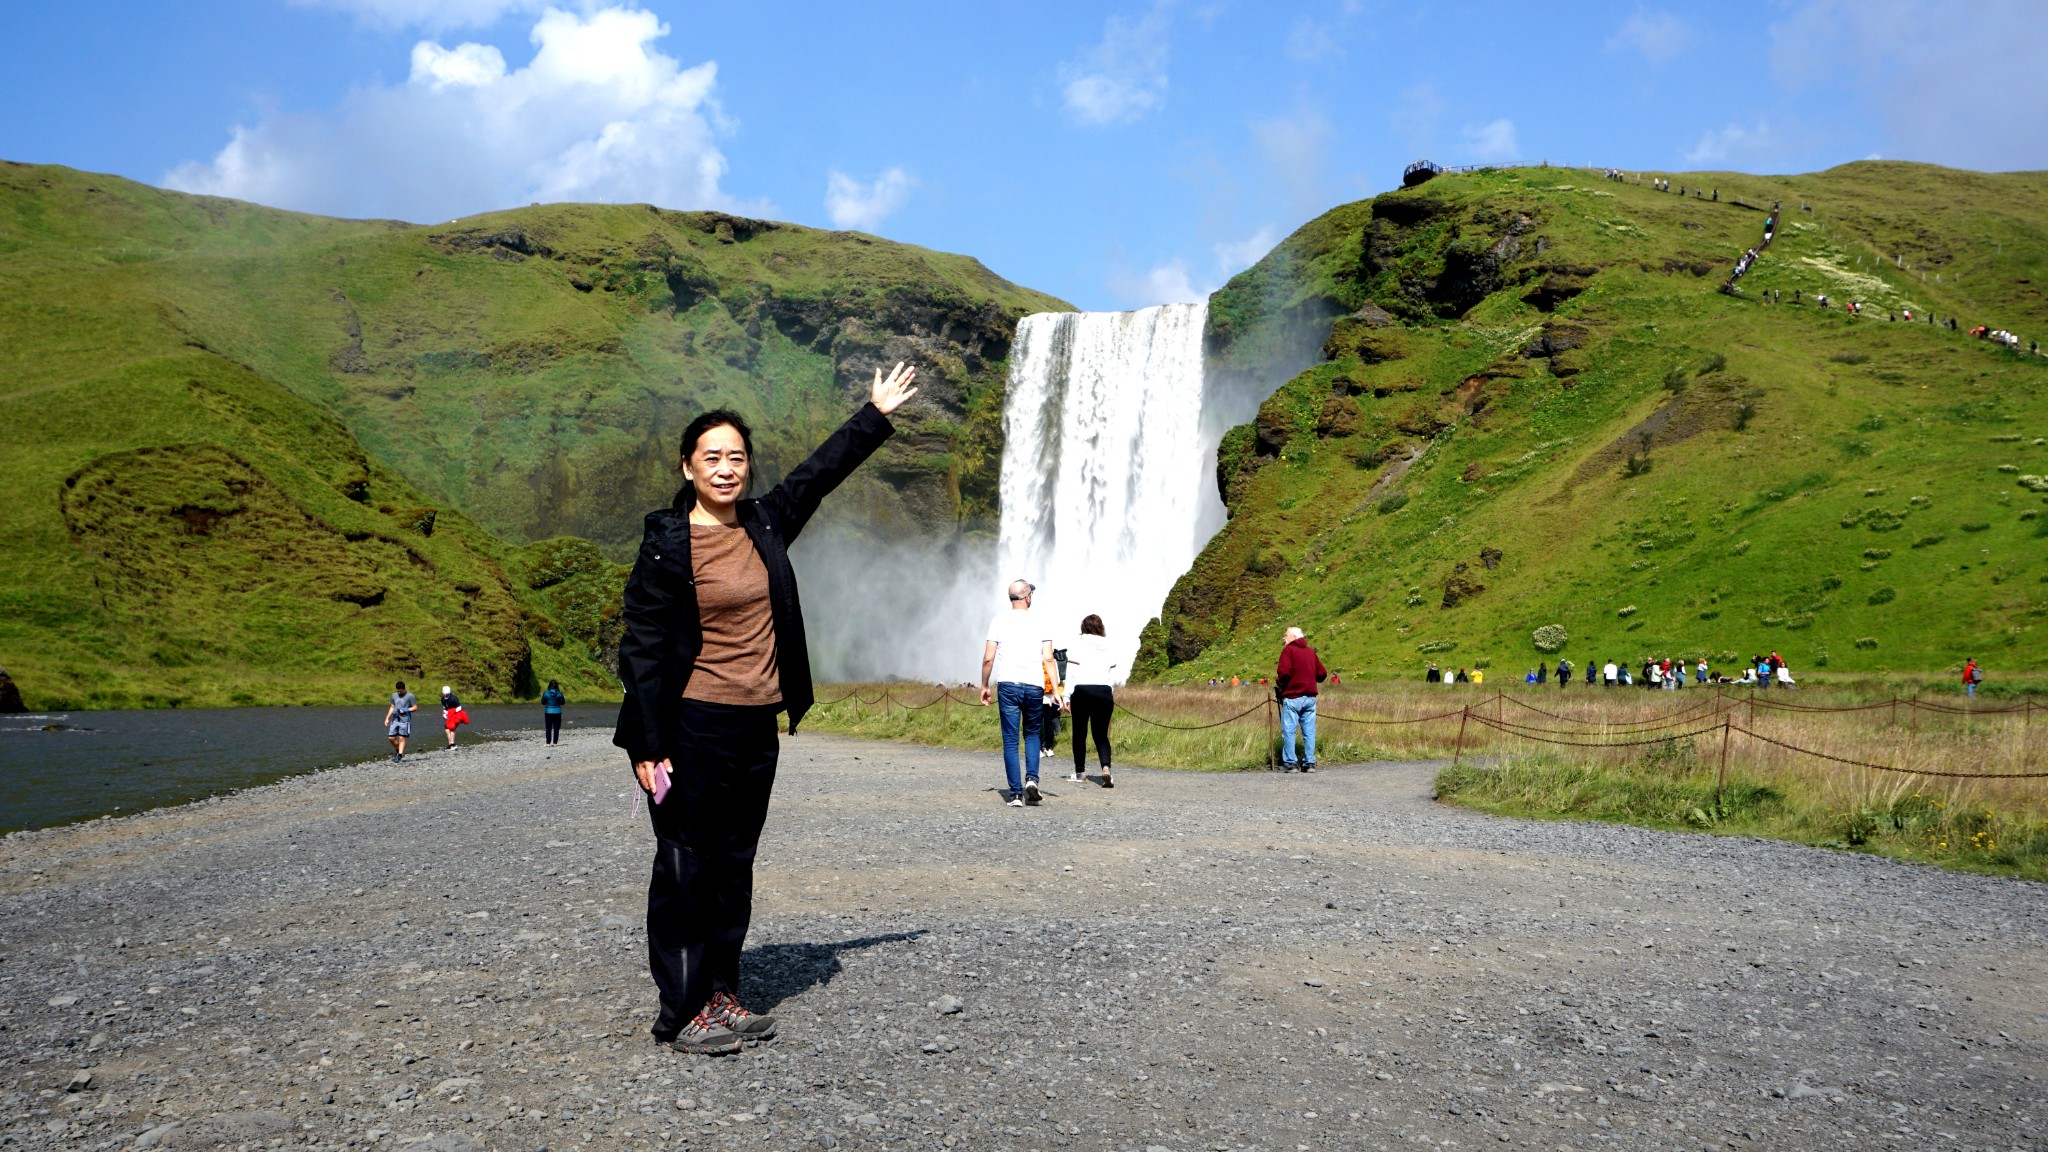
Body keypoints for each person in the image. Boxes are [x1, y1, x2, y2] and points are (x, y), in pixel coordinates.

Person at [614, 361, 920, 1056]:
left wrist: (873, 414)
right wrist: (647, 746)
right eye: (712, 457)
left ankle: (722, 990)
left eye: (737, 457)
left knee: (734, 864)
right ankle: (682, 1009)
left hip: (755, 724)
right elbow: (643, 650)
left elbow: (817, 475)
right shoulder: (666, 543)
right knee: (686, 866)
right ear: (688, 467)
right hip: (692, 726)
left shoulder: (765, 524)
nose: (727, 469)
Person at [981, 579, 1056, 806]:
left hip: (1008, 686)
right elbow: (1049, 658)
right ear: (1027, 597)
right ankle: (1032, 780)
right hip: (1034, 686)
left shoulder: (998, 621)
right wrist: (1057, 691)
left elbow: (988, 658)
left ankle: (1015, 794)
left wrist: (984, 685)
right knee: (1032, 734)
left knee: (1010, 740)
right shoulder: (1041, 621)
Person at [1064, 614, 1118, 787]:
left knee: (1079, 733)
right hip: (1103, 691)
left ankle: (1080, 772)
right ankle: (1106, 768)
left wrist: (1066, 696)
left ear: (1083, 627)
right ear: (1100, 627)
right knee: (1101, 734)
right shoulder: (1108, 644)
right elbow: (1111, 671)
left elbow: (1071, 672)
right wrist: (1111, 692)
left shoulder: (1077, 643)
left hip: (1082, 690)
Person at [1275, 626, 1328, 773]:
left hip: (1293, 696)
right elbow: (1322, 674)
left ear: (1293, 637)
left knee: (1289, 731)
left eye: (1285, 635)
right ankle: (1309, 762)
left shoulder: (1289, 650)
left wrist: (1281, 684)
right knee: (1309, 731)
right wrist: (1309, 677)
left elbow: (1284, 672)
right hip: (1310, 697)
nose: (1284, 638)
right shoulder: (1310, 652)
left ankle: (1291, 763)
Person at [383, 680, 416, 762]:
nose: (399, 693)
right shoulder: (394, 695)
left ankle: (400, 755)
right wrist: (387, 718)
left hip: (405, 720)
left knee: (401, 738)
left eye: (400, 691)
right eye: (398, 691)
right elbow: (392, 707)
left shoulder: (410, 696)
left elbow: (415, 707)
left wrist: (406, 710)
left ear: (404, 689)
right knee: (391, 737)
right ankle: (398, 751)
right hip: (395, 719)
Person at [440, 685, 470, 749]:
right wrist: (445, 713)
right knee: (447, 728)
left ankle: (452, 744)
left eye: (447, 694)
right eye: (445, 694)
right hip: (449, 714)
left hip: (457, 714)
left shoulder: (453, 698)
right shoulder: (442, 699)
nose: (446, 695)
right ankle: (450, 744)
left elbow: (460, 707)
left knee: (452, 728)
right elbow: (445, 707)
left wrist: (452, 712)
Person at [541, 680, 567, 745]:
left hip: (548, 712)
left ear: (549, 685)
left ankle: (548, 742)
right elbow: (563, 702)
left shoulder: (546, 693)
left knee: (548, 727)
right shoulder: (559, 693)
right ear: (557, 686)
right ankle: (555, 742)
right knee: (556, 727)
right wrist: (558, 702)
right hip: (557, 712)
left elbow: (543, 702)